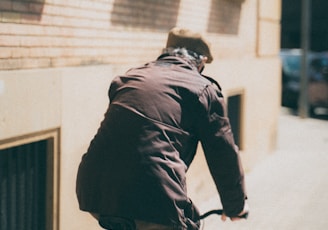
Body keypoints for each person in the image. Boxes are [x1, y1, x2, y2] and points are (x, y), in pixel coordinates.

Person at [76, 27, 248, 230]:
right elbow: (222, 154)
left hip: (94, 187)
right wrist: (235, 206)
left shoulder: (131, 78)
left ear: (165, 51)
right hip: (153, 193)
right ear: (200, 62)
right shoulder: (203, 89)